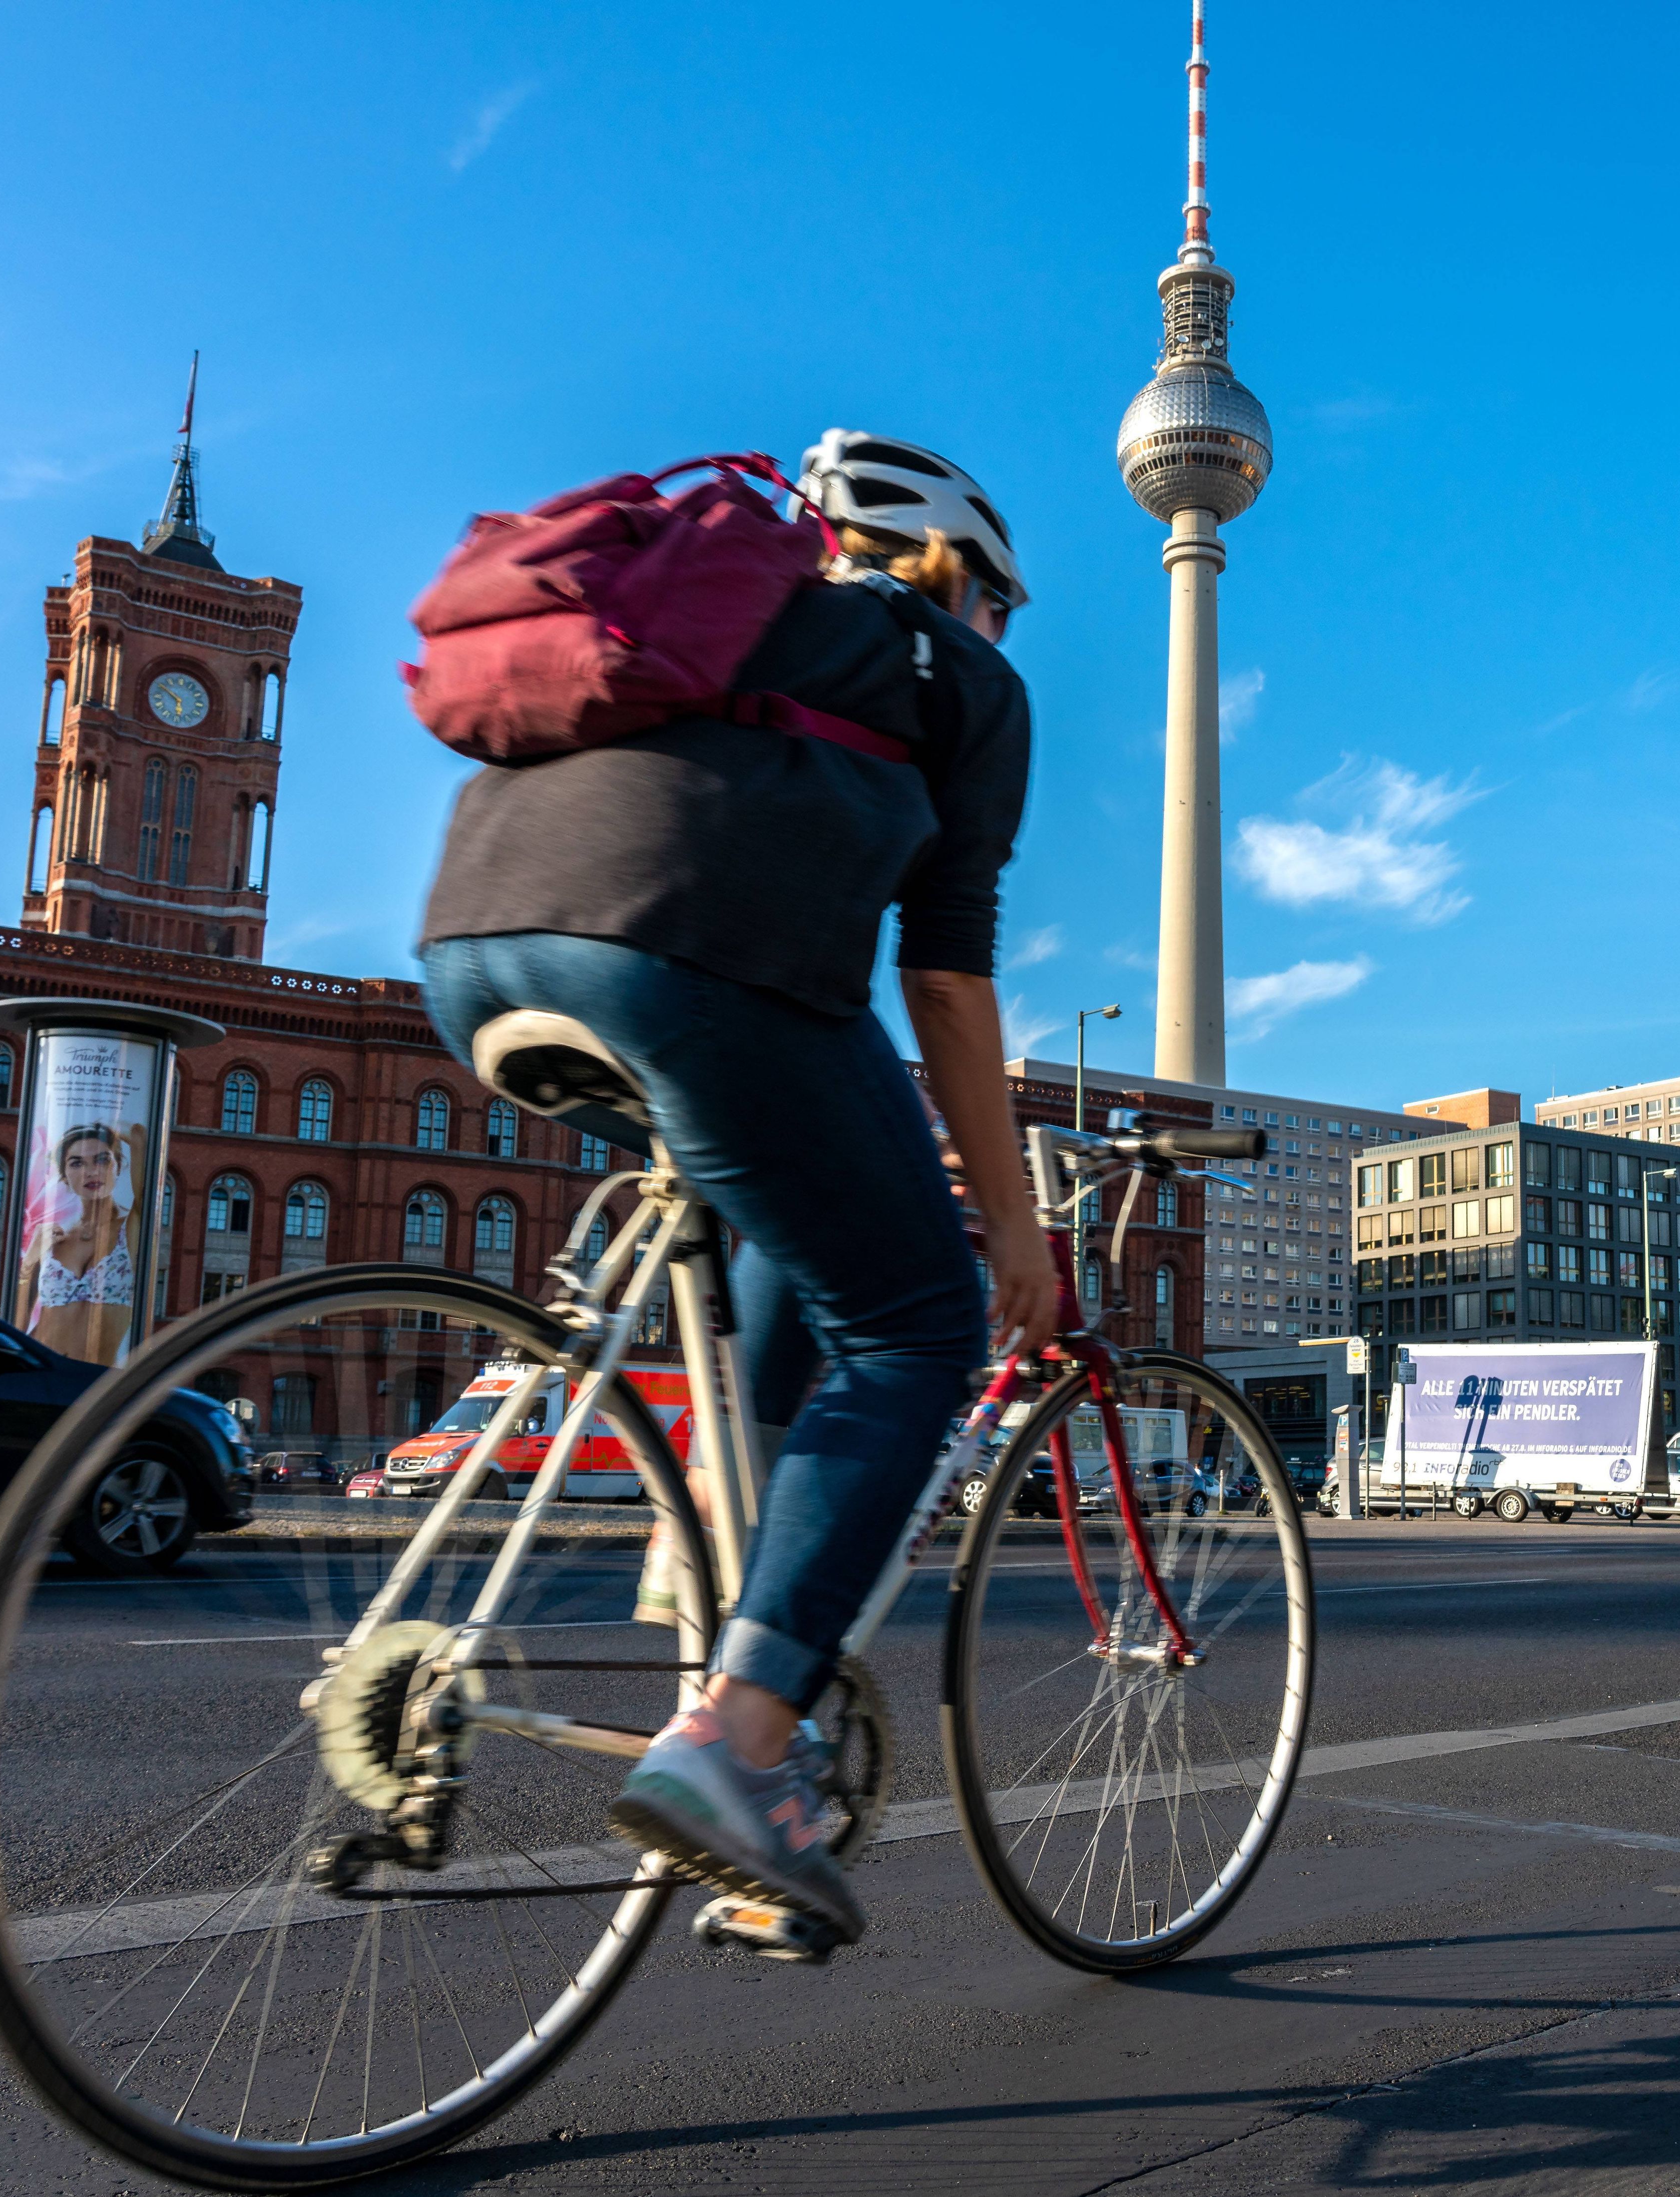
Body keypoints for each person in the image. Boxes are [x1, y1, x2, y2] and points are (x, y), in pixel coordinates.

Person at [415, 431, 1057, 1950]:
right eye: (1005, 606)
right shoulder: (956, 672)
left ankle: (713, 1597)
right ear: (957, 575)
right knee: (913, 1324)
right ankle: (738, 1738)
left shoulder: (715, 616)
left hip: (474, 951)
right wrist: (1014, 1225)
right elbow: (949, 988)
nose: (1005, 635)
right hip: (686, 956)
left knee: (781, 1224)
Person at [19, 1124, 135, 1364]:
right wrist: (29, 1263)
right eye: (77, 1163)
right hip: (42, 1371)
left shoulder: (131, 1228)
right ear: (64, 1176)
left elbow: (141, 1139)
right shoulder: (51, 1236)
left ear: (119, 1166)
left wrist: (111, 1124)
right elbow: (17, 1327)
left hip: (98, 1380)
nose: (91, 1172)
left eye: (102, 1160)